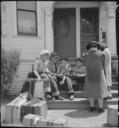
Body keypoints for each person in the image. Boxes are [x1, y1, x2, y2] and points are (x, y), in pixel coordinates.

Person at [80, 41, 108, 113]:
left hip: (89, 75)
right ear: (97, 47)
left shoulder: (85, 54)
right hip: (99, 75)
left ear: (89, 48)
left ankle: (91, 106)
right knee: (100, 91)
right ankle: (100, 108)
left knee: (91, 90)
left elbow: (84, 62)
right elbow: (104, 64)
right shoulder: (102, 54)